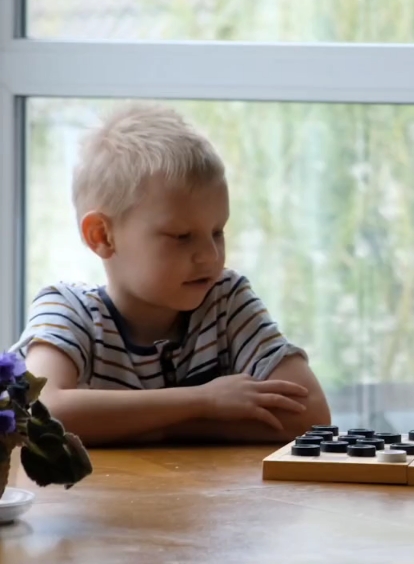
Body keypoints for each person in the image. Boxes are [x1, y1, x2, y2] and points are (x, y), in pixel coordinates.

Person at [9, 103, 332, 446]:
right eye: (181, 236)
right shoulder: (67, 310)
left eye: (218, 232)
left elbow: (309, 415)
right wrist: (203, 401)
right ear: (102, 236)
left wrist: (141, 425)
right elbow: (39, 412)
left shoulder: (226, 301)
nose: (210, 255)